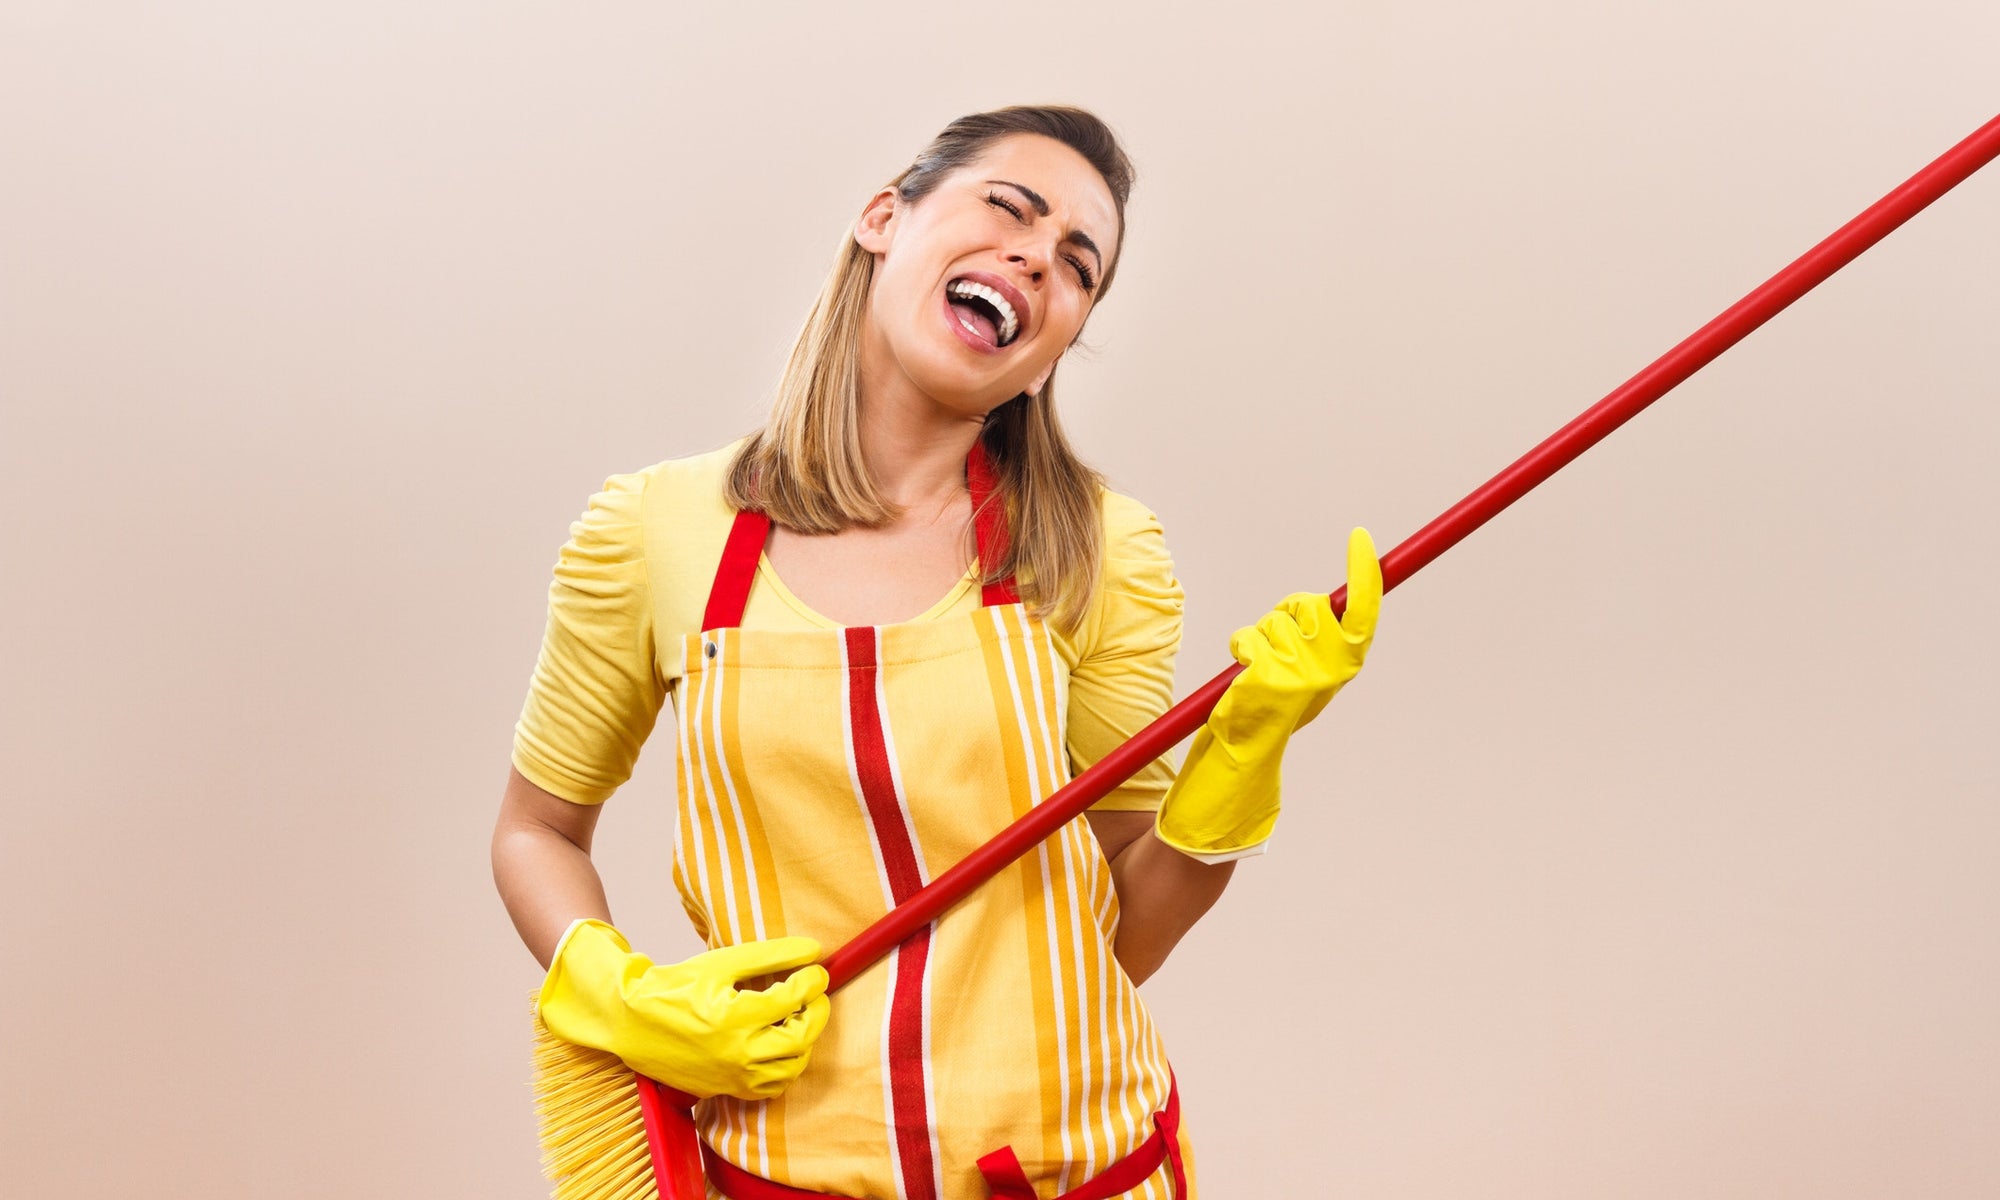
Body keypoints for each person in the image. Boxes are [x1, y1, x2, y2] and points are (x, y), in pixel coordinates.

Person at [492, 104, 1382, 1200]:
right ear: (882, 217)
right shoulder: (653, 531)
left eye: (1076, 266)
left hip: (1086, 1178)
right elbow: (535, 829)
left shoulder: (1100, 551)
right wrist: (613, 989)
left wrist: (1237, 765)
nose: (1033, 257)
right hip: (781, 1181)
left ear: (1056, 340)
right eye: (1006, 208)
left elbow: (1116, 940)